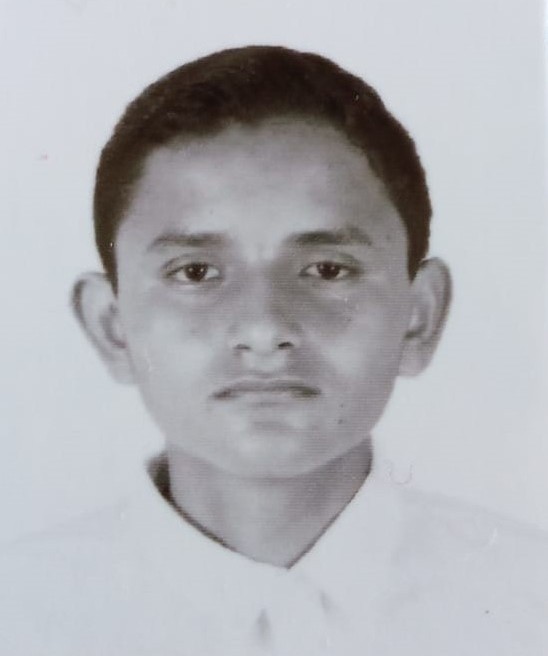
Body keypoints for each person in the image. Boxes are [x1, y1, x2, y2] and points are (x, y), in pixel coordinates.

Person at [2, 45, 546, 655]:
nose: (263, 328)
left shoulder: (530, 606)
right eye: (196, 272)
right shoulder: (19, 617)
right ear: (112, 327)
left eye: (327, 269)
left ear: (419, 316)